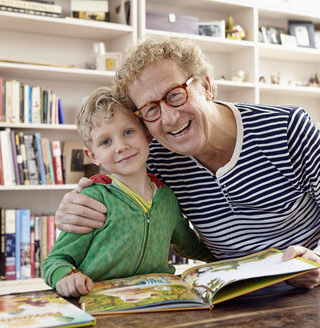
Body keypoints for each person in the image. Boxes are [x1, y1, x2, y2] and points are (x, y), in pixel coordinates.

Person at [55, 37, 320, 291]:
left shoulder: (287, 127)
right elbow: (121, 193)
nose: (168, 118)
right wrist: (76, 203)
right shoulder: (159, 157)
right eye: (150, 109)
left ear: (206, 86)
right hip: (244, 299)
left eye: (175, 95)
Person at [41, 87, 216, 297]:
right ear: (93, 155)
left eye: (128, 132)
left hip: (157, 303)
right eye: (106, 142)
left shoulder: (168, 197)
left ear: (147, 136)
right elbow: (55, 261)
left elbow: (189, 245)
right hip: (100, 305)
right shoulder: (93, 198)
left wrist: (227, 260)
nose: (121, 146)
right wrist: (67, 277)